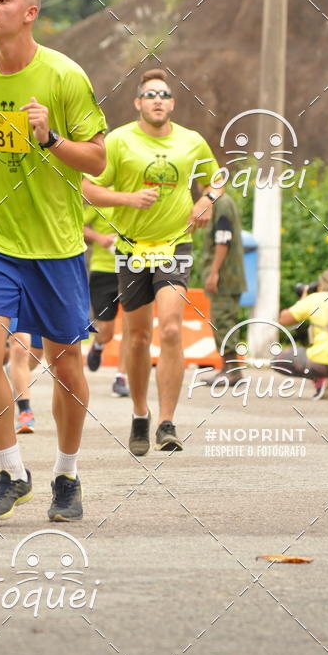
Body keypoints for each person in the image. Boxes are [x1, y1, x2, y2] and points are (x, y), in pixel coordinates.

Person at [0, 0, 106, 522]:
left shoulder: (64, 75)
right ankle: (12, 471)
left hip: (56, 245)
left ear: (29, 13)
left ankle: (67, 474)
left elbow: (97, 160)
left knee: (66, 364)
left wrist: (51, 139)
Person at [83, 68, 222, 456]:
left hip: (175, 244)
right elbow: (88, 189)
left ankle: (167, 421)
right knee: (139, 336)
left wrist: (205, 200)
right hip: (131, 248)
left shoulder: (191, 142)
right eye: (150, 95)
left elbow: (218, 178)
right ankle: (140, 414)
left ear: (173, 103)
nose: (157, 100)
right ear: (138, 103)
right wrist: (128, 199)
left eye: (164, 94)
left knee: (173, 329)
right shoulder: (119, 140)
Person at [200, 191, 247, 386]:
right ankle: (227, 369)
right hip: (226, 275)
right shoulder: (219, 203)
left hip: (226, 276)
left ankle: (232, 371)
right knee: (222, 320)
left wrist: (214, 271)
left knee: (224, 320)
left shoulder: (222, 203)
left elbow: (223, 238)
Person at [274, 268, 328, 394]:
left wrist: (303, 299)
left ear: (321, 284)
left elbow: (283, 319)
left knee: (280, 358)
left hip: (323, 362)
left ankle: (321, 378)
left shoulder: (316, 299)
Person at [83, 204, 130, 397]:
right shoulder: (101, 194)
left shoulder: (137, 196)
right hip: (103, 270)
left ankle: (121, 377)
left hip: (133, 269)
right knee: (106, 332)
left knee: (131, 325)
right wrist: (99, 238)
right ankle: (98, 345)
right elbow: (77, 225)